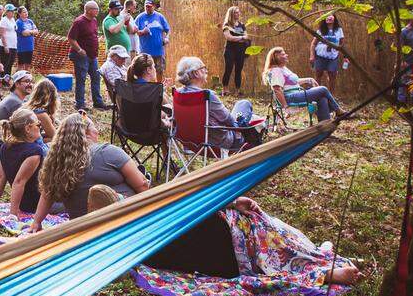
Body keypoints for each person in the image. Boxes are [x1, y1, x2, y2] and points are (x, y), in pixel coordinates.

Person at [143, 196, 359, 285]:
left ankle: (317, 258)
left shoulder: (142, 222)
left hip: (224, 229)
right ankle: (322, 268)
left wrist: (232, 202)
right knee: (269, 240)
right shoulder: (145, 232)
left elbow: (192, 202)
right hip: (225, 245)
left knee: (268, 229)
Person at [30, 112, 149, 227]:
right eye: (94, 127)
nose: (97, 131)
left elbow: (47, 193)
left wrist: (36, 222)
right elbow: (142, 185)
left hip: (83, 226)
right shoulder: (108, 152)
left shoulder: (58, 163)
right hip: (126, 219)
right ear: (86, 133)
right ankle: (114, 203)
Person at [176, 56, 262, 150]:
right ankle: (252, 141)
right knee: (244, 104)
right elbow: (228, 120)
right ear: (196, 73)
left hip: (190, 143)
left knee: (246, 113)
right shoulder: (206, 96)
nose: (206, 71)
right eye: (203, 68)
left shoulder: (178, 94)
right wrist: (239, 128)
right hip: (219, 142)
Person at [0, 109, 46, 216]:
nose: (41, 126)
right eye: (38, 124)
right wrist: (13, 215)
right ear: (28, 128)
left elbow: (1, 178)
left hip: (23, 204)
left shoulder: (5, 147)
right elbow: (19, 182)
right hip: (37, 204)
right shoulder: (34, 151)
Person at [262, 47, 341, 121]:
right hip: (289, 97)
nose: (286, 55)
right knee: (323, 89)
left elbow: (293, 82)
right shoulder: (276, 70)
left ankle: (324, 125)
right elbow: (277, 90)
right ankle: (338, 111)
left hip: (296, 94)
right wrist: (286, 107)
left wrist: (309, 79)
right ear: (276, 57)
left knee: (322, 98)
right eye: (283, 54)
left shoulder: (283, 68)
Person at [66, 0, 110, 111]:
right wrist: (79, 50)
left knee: (96, 77)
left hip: (92, 56)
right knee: (81, 79)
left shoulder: (94, 21)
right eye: (96, 9)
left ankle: (98, 102)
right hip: (81, 56)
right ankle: (80, 104)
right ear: (89, 10)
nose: (98, 11)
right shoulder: (79, 22)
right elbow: (71, 38)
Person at [0, 70, 33, 155]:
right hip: (1, 147)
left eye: (31, 82)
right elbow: (22, 130)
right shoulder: (15, 102)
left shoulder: (13, 98)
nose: (30, 84)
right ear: (17, 84)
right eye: (27, 81)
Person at [134, 0, 170, 78]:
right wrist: (143, 31)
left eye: (149, 6)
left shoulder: (160, 17)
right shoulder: (140, 18)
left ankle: (158, 88)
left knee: (159, 70)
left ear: (154, 6)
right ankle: (146, 88)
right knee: (144, 71)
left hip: (158, 51)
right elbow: (134, 32)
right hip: (145, 51)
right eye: (146, 6)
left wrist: (167, 38)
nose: (147, 8)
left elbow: (168, 30)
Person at [311, 13, 345, 92]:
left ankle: (331, 96)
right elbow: (313, 44)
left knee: (332, 75)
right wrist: (312, 56)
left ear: (334, 18)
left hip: (333, 56)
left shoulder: (339, 30)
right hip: (320, 56)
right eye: (326, 16)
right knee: (318, 74)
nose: (328, 17)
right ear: (323, 19)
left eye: (330, 15)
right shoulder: (320, 30)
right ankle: (317, 94)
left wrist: (344, 56)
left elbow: (342, 43)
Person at [221, 5, 250, 93]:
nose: (238, 14)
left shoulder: (242, 25)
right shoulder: (227, 25)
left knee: (239, 70)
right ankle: (225, 89)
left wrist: (240, 38)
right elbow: (229, 37)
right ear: (231, 14)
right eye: (236, 12)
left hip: (241, 51)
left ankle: (238, 90)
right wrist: (241, 38)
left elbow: (246, 36)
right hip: (230, 50)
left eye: (238, 12)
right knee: (228, 69)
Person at [25, 77, 59, 142]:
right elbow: (55, 137)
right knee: (55, 139)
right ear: (53, 97)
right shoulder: (40, 113)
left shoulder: (27, 106)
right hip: (26, 145)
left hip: (20, 141)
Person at [0, 4, 19, 76]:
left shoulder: (12, 20)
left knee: (10, 65)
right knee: (5, 64)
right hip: (5, 45)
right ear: (7, 12)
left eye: (13, 11)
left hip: (13, 45)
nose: (13, 13)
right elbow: (1, 34)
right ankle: (2, 80)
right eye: (11, 11)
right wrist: (5, 46)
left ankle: (7, 81)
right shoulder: (4, 20)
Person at [15, 6, 38, 72]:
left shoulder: (30, 21)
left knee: (28, 64)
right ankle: (19, 79)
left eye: (26, 11)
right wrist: (32, 32)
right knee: (21, 65)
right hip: (21, 47)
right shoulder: (18, 22)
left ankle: (26, 79)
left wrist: (29, 32)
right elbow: (24, 33)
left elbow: (36, 31)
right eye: (24, 12)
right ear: (20, 14)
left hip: (30, 47)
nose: (26, 13)